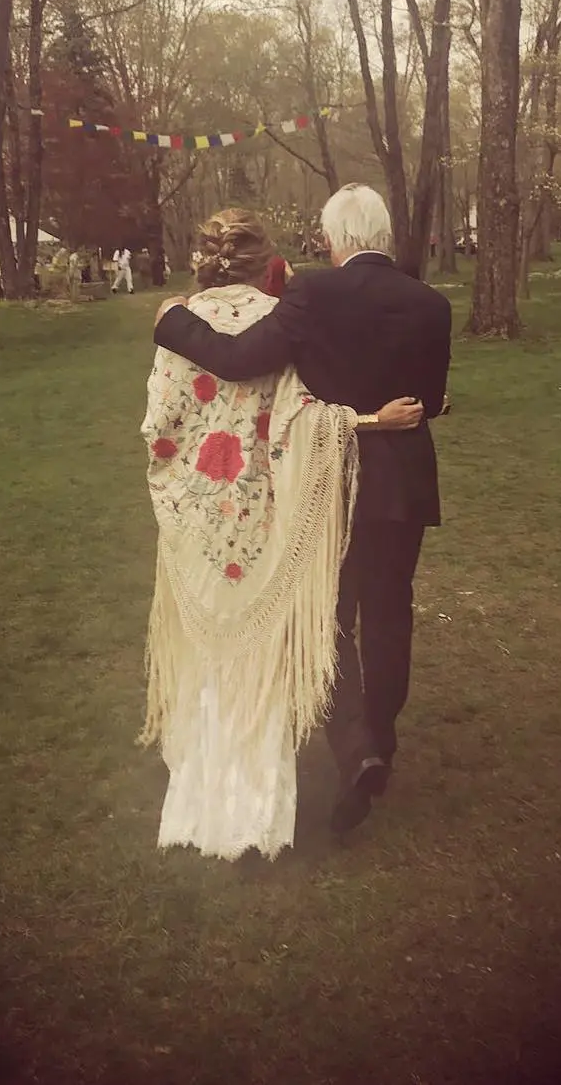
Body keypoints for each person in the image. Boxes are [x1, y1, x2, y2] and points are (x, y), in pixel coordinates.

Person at [154, 184, 452, 835]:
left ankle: (354, 750)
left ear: (334, 238)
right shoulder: (432, 305)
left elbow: (240, 358)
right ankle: (381, 741)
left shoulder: (311, 294)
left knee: (327, 615)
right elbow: (432, 398)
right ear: (385, 234)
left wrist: (174, 323)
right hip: (403, 483)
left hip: (329, 477)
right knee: (389, 614)